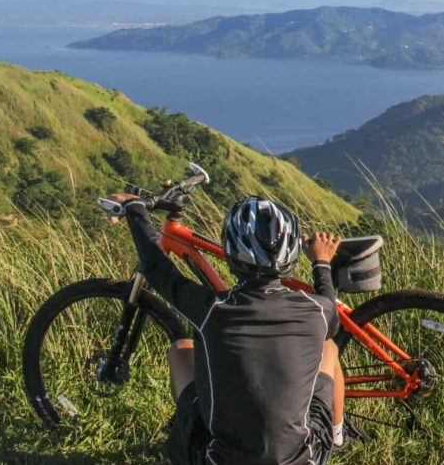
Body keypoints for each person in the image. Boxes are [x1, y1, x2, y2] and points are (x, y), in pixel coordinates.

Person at [108, 192, 346, 464]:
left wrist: (135, 208)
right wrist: (321, 262)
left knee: (181, 350)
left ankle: (189, 429)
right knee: (329, 347)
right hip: (302, 459)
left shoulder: (211, 309)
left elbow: (156, 266)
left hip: (217, 460)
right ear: (291, 256)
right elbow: (330, 306)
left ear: (231, 254)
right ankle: (336, 436)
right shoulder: (318, 311)